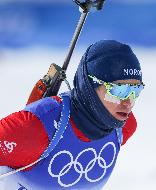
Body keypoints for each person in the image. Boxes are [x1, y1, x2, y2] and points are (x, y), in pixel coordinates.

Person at [0, 40, 144, 189]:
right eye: (119, 91)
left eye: (135, 91)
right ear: (90, 86)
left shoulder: (123, 127)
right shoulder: (36, 127)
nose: (128, 102)